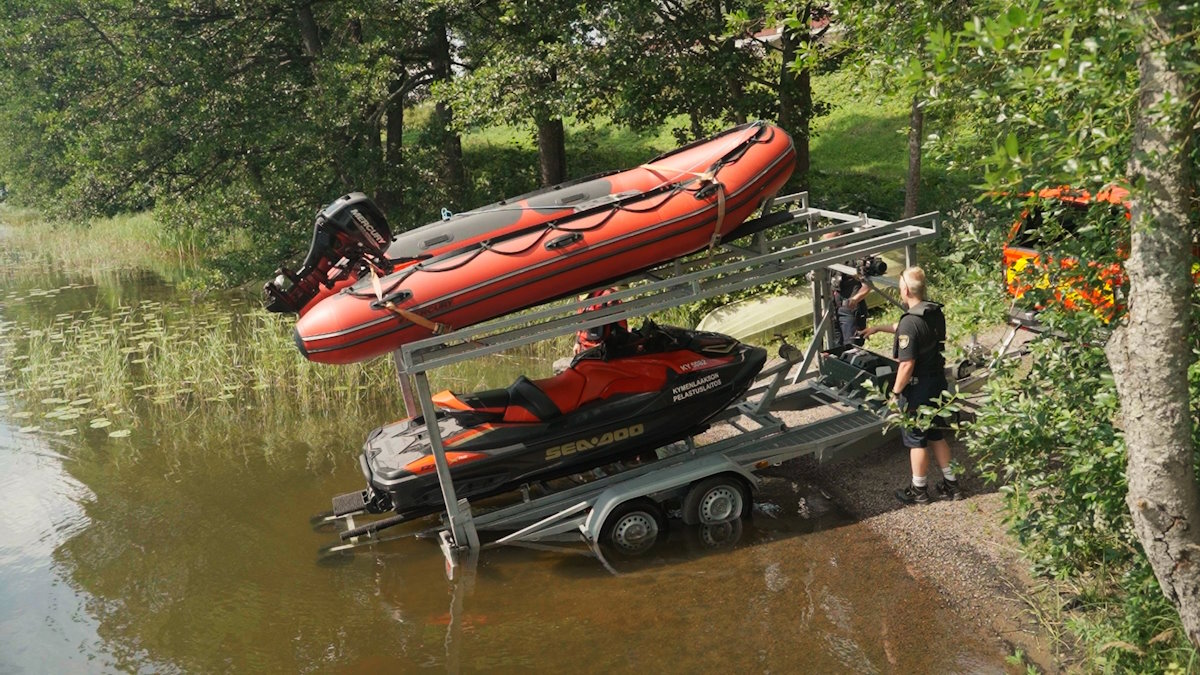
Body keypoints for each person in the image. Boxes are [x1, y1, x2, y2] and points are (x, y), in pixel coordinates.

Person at [859, 266, 964, 504]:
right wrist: (878, 328)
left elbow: (906, 364)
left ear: (905, 289)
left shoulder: (910, 322)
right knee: (936, 433)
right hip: (937, 384)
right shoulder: (932, 312)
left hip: (918, 390)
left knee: (916, 439)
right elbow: (908, 330)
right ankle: (952, 485)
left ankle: (918, 490)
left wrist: (895, 394)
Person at [822, 231, 871, 348]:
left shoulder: (855, 257)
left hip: (850, 310)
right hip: (833, 310)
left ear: (840, 238)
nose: (829, 247)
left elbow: (868, 285)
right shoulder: (830, 258)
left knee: (852, 347)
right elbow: (827, 284)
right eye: (827, 245)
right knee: (835, 347)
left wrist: (855, 299)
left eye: (831, 244)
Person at [574, 287, 629, 355]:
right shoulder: (580, 296)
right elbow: (580, 320)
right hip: (586, 348)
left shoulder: (608, 294)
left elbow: (620, 322)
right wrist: (577, 342)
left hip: (605, 348)